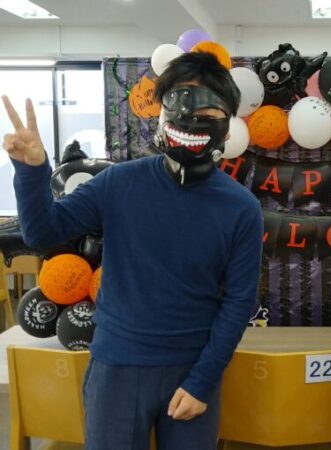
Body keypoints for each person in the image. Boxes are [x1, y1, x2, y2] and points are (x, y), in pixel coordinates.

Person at [2, 51, 263, 450]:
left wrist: (203, 380)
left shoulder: (241, 208)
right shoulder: (118, 183)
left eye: (208, 110)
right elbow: (43, 233)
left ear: (228, 128)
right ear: (162, 113)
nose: (192, 118)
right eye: (181, 102)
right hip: (117, 365)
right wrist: (32, 170)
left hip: (192, 369)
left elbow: (240, 302)